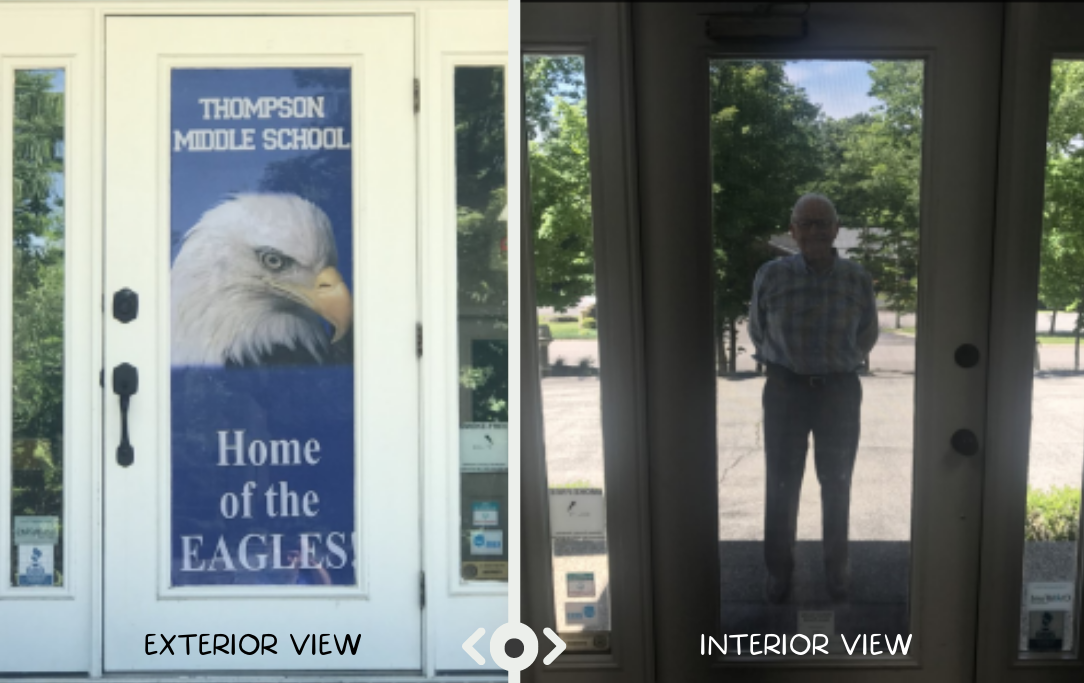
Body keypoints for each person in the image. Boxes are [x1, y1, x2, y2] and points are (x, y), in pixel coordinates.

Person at [748, 193, 879, 604]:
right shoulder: (770, 275)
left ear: (837, 229)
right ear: (792, 231)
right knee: (781, 484)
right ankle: (778, 569)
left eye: (823, 223)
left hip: (839, 392)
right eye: (806, 224)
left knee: (837, 482)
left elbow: (868, 333)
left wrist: (839, 361)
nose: (815, 231)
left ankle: (836, 566)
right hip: (785, 390)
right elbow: (757, 330)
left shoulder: (856, 277)